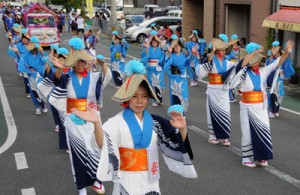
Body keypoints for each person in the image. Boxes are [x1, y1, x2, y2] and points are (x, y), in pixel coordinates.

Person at [72, 59, 197, 194]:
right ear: (127, 97)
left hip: (151, 179)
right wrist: (96, 123)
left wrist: (182, 129)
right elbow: (103, 145)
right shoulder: (116, 122)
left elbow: (175, 142)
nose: (139, 101)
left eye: (144, 96)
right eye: (134, 96)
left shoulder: (156, 122)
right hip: (126, 178)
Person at [49, 37, 112, 195]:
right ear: (72, 63)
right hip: (73, 120)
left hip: (91, 119)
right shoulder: (67, 77)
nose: (80, 64)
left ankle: (96, 180)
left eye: (83, 61)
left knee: (96, 150)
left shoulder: (93, 77)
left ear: (88, 62)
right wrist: (59, 68)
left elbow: (107, 78)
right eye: (77, 62)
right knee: (77, 153)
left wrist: (103, 65)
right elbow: (56, 82)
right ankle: (81, 186)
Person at [229, 40, 294, 167]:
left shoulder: (263, 71)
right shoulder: (243, 72)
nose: (257, 63)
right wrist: (254, 53)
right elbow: (236, 76)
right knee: (247, 131)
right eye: (255, 60)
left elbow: (277, 63)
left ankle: (261, 156)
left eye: (258, 60)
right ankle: (246, 156)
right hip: (247, 106)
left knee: (264, 130)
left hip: (261, 107)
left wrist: (286, 52)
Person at [195, 34, 236, 146]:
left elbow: (236, 69)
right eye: (220, 49)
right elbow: (209, 61)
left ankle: (225, 136)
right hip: (213, 89)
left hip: (223, 91)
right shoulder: (212, 60)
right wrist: (212, 52)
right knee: (212, 112)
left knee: (226, 112)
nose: (222, 51)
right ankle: (213, 135)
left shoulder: (228, 62)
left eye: (224, 49)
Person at [18, 36, 48, 115]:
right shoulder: (25, 55)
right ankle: (37, 107)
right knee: (34, 92)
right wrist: (29, 71)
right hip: (31, 76)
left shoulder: (42, 53)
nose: (34, 49)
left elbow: (47, 64)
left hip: (41, 75)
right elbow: (22, 66)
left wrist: (42, 53)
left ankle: (43, 104)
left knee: (42, 91)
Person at [163, 35, 191, 114]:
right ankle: (175, 112)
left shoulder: (184, 55)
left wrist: (184, 72)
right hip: (174, 78)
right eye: (175, 46)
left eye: (178, 46)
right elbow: (165, 67)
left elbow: (188, 62)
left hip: (182, 78)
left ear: (181, 46)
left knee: (183, 94)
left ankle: (183, 112)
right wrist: (170, 73)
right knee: (175, 95)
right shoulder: (171, 56)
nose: (177, 48)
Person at [266, 41, 295, 117]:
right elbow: (267, 67)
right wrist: (271, 59)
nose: (273, 49)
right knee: (271, 93)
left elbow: (287, 64)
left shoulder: (283, 57)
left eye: (275, 47)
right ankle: (271, 111)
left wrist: (289, 54)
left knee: (280, 94)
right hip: (271, 79)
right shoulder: (270, 56)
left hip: (279, 79)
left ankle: (276, 110)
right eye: (272, 47)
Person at [141, 30, 165, 106]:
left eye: (156, 41)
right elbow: (144, 60)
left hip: (158, 70)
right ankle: (154, 100)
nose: (154, 42)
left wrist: (159, 63)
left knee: (159, 84)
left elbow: (163, 58)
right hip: (151, 69)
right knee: (152, 84)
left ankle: (159, 99)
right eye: (153, 41)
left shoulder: (160, 50)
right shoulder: (147, 49)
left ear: (158, 42)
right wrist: (147, 49)